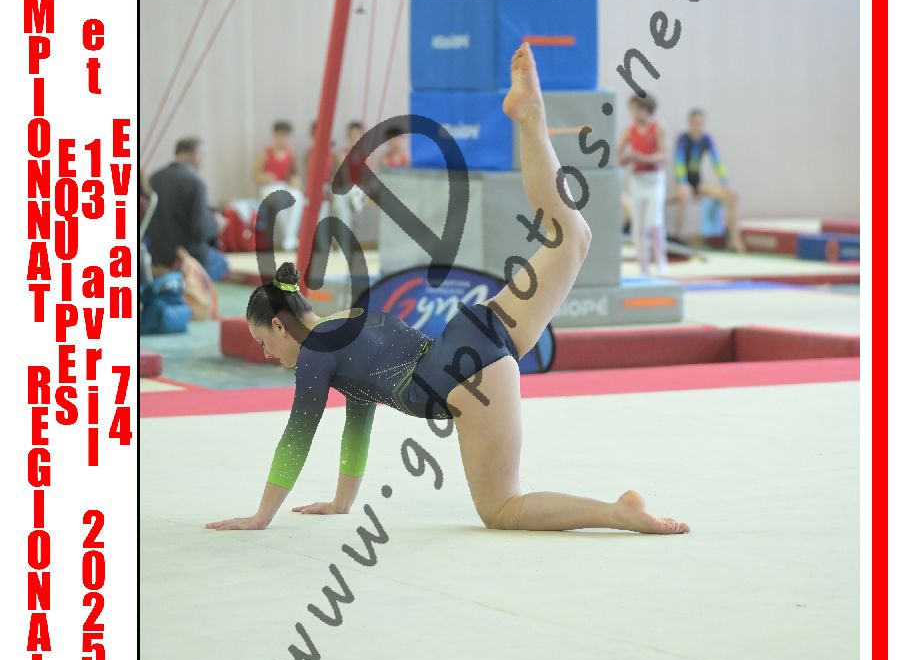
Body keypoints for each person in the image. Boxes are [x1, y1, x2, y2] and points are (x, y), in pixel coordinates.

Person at [207, 45, 689, 537]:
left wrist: (260, 517)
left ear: (281, 325)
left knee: (501, 508)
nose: (267, 353)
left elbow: (298, 434)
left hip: (461, 376)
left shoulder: (314, 352)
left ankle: (617, 513)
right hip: (476, 329)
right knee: (571, 236)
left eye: (264, 341)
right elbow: (359, 419)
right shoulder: (346, 323)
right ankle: (531, 120)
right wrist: (341, 502)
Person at [145, 137, 228, 282]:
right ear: (195, 154)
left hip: (155, 255)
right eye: (203, 156)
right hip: (184, 256)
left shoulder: (153, 178)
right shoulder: (195, 182)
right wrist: (217, 224)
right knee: (222, 263)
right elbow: (199, 230)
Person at [674, 109, 745, 252]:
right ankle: (679, 238)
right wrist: (682, 183)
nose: (697, 126)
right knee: (683, 197)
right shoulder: (683, 139)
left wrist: (726, 182)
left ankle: (734, 240)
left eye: (700, 123)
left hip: (698, 183)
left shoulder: (706, 139)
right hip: (684, 183)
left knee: (732, 195)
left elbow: (717, 161)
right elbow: (679, 162)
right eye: (694, 123)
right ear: (689, 123)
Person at [616, 94, 668, 276]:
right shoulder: (628, 131)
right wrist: (627, 157)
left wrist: (640, 157)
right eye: (632, 110)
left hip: (655, 180)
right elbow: (619, 159)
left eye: (637, 110)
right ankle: (643, 266)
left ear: (646, 110)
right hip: (637, 181)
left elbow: (663, 156)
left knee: (654, 223)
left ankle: (661, 262)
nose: (634, 114)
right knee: (638, 226)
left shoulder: (658, 127)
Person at [253, 120, 304, 252]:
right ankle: (290, 238)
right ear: (274, 136)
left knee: (298, 197)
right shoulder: (265, 153)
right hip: (269, 187)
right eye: (280, 136)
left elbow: (295, 174)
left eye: (285, 136)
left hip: (284, 185)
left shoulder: (290, 154)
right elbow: (255, 175)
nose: (283, 139)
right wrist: (266, 177)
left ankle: (289, 237)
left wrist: (295, 181)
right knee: (280, 199)